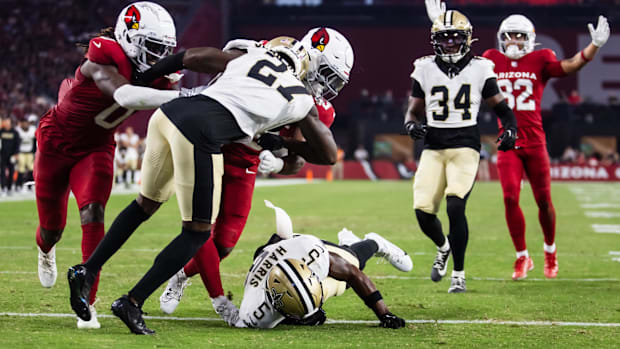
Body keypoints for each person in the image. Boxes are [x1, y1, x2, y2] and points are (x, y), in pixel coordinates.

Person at [68, 36, 339, 335]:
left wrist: (145, 77)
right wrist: (283, 142)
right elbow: (328, 155)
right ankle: (132, 301)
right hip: (201, 132)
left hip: (166, 116)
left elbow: (191, 56)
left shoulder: (246, 58)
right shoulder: (300, 97)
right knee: (197, 233)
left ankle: (87, 269)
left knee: (145, 204)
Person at [158, 28, 353, 320]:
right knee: (201, 228)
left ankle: (180, 276)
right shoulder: (267, 53)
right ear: (313, 58)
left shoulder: (314, 108)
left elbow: (299, 159)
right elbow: (218, 62)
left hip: (246, 160)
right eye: (327, 73)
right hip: (215, 143)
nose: (329, 86)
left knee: (224, 243)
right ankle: (218, 300)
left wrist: (278, 164)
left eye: (335, 80)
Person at [425, 1, 610, 280]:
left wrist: (593, 47)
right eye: (510, 35)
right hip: (509, 142)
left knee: (544, 200)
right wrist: (442, 24)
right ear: (501, 38)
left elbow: (569, 66)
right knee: (510, 198)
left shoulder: (541, 58)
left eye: (520, 35)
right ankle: (522, 257)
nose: (514, 40)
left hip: (535, 142)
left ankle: (550, 251)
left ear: (530, 39)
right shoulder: (491, 59)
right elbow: (459, 59)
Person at [33, 1, 183, 329]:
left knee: (93, 212)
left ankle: (87, 298)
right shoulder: (104, 53)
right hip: (56, 142)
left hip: (96, 148)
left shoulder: (160, 77)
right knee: (51, 228)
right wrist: (185, 95)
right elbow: (125, 95)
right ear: (129, 38)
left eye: (163, 51)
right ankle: (46, 249)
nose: (158, 58)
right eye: (152, 48)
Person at [404, 10, 517, 293]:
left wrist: (510, 129)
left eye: (455, 37)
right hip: (433, 146)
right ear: (435, 40)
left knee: (455, 204)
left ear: (467, 39)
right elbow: (413, 111)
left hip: (466, 145)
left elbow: (502, 108)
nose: (451, 43)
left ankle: (458, 273)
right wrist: (411, 126)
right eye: (444, 38)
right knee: (422, 211)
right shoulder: (424, 68)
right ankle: (443, 247)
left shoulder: (481, 67)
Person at [160, 201, 413, 327]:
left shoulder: (309, 252)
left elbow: (353, 274)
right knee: (328, 293)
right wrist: (302, 317)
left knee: (351, 261)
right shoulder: (253, 312)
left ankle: (373, 243)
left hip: (294, 247)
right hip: (273, 257)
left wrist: (385, 314)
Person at [0, 117, 20, 196]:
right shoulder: (1, 131)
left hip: (12, 155)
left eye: (8, 122)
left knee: (11, 172)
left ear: (11, 123)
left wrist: (16, 154)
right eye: (5, 122)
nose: (7, 124)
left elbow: (17, 144)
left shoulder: (15, 132)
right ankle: (3, 188)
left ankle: (9, 188)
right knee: (2, 172)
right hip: (3, 155)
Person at [15, 118, 36, 192]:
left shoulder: (32, 130)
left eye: (26, 123)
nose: (25, 125)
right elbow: (16, 142)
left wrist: (35, 152)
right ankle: (19, 185)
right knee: (21, 169)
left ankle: (29, 186)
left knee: (31, 169)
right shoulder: (18, 131)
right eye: (23, 123)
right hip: (21, 152)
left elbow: (35, 141)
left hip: (29, 152)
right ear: (21, 124)